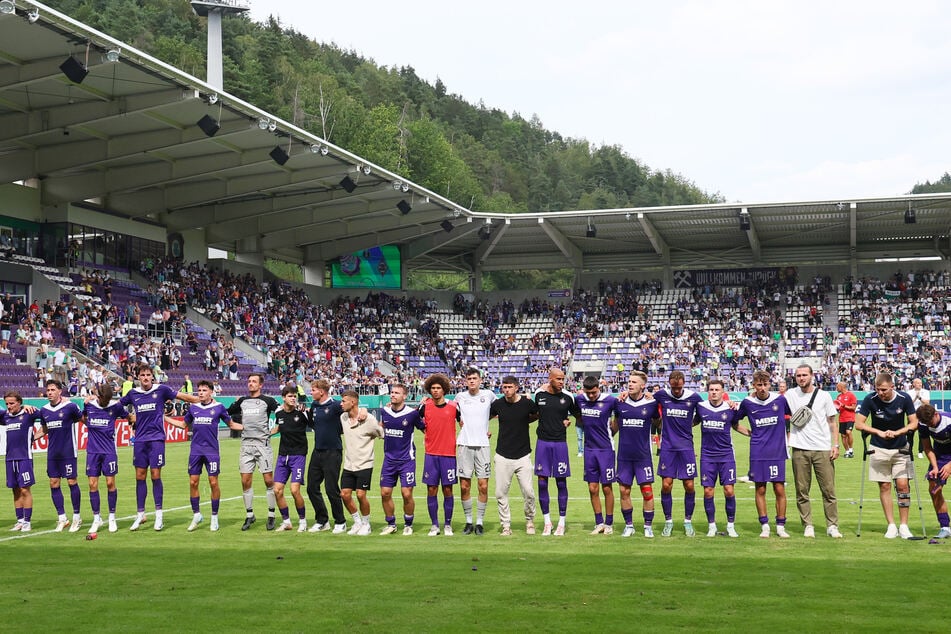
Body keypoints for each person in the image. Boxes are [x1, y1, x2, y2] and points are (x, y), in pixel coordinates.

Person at [121, 364, 199, 531]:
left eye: (148, 374)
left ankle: (159, 515)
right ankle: (140, 514)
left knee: (155, 475)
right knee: (140, 476)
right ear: (138, 377)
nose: (146, 378)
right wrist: (128, 416)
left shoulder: (161, 390)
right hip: (140, 440)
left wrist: (200, 400)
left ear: (152, 376)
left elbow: (182, 397)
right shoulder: (133, 394)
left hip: (156, 439)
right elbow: (116, 406)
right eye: (142, 375)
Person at [166, 379, 240, 532]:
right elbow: (182, 425)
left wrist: (251, 428)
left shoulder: (218, 408)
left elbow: (232, 425)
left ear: (211, 392)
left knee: (213, 483)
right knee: (193, 483)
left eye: (204, 390)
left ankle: (214, 517)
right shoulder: (194, 408)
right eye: (199, 390)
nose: (200, 393)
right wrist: (163, 418)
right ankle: (197, 515)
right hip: (195, 451)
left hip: (212, 452)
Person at [854, 372, 919, 539]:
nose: (880, 393)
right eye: (878, 389)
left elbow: (914, 423)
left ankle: (904, 525)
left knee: (903, 486)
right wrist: (879, 432)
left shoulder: (904, 398)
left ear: (892, 386)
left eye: (884, 389)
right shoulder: (870, 399)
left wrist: (898, 432)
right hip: (878, 447)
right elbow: (859, 424)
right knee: (884, 486)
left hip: (901, 448)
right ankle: (891, 525)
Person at [786, 364, 842, 539]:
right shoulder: (790, 395)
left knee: (829, 491)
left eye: (804, 375)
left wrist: (836, 445)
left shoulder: (824, 395)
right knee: (802, 490)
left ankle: (832, 525)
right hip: (799, 449)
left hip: (822, 448)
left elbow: (832, 421)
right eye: (798, 375)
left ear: (812, 376)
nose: (801, 378)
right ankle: (807, 524)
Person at [737, 370, 792, 538]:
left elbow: (792, 417)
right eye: (758, 385)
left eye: (765, 384)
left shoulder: (780, 400)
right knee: (760, 489)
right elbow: (734, 422)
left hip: (777, 452)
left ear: (770, 384)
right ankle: (765, 525)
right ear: (754, 385)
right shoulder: (747, 403)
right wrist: (749, 433)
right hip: (758, 452)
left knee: (779, 488)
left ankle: (781, 526)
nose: (762, 388)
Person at [653, 370, 704, 537]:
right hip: (667, 447)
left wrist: (691, 424)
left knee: (689, 485)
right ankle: (668, 521)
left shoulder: (693, 397)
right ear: (669, 384)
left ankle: (688, 521)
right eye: (673, 388)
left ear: (684, 384)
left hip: (686, 447)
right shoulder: (662, 395)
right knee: (666, 485)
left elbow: (704, 413)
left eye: (679, 388)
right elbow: (645, 402)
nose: (676, 391)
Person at [696, 378, 748, 538]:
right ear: (708, 392)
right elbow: (690, 423)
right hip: (707, 456)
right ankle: (711, 526)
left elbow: (736, 426)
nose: (713, 392)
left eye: (717, 390)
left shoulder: (731, 409)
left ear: (723, 392)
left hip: (726, 455)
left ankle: (730, 525)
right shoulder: (700, 407)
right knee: (708, 491)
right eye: (711, 390)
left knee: (729, 490)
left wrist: (755, 435)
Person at [227, 373, 279, 531]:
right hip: (246, 446)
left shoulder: (268, 401)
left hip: (262, 445)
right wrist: (234, 403)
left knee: (269, 481)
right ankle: (250, 515)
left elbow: (282, 415)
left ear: (260, 385)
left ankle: (271, 515)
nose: (250, 384)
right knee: (245, 481)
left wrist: (273, 431)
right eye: (249, 381)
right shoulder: (242, 401)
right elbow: (228, 413)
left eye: (254, 381)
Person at [613, 371, 660, 538]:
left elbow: (659, 423)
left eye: (634, 382)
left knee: (647, 492)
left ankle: (648, 526)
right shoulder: (619, 403)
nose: (630, 384)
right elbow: (614, 427)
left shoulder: (651, 405)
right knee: (624, 492)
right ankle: (629, 525)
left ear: (642, 385)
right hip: (624, 457)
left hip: (643, 457)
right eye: (629, 381)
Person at [490, 375, 539, 536]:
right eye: (504, 387)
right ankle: (505, 525)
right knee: (500, 493)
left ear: (516, 387)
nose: (506, 390)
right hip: (502, 455)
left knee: (529, 491)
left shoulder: (526, 403)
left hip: (523, 455)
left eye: (510, 387)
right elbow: (484, 418)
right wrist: (485, 430)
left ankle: (530, 521)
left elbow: (539, 414)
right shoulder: (497, 404)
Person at [534, 368, 581, 536]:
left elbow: (579, 416)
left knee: (561, 482)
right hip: (543, 443)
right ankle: (547, 522)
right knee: (542, 482)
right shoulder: (539, 395)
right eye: (559, 379)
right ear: (550, 379)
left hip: (560, 444)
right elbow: (533, 414)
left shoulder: (568, 397)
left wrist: (570, 422)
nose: (562, 382)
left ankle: (561, 522)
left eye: (563, 379)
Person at [378, 383, 425, 535]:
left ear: (404, 396)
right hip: (389, 460)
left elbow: (425, 429)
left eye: (397, 393)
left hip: (407, 460)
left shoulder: (412, 414)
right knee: (385, 493)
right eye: (392, 392)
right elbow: (380, 428)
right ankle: (391, 524)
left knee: (406, 493)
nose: (393, 395)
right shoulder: (384, 411)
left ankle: (408, 524)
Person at [39, 380, 85, 532]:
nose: (50, 392)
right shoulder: (44, 410)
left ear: (60, 391)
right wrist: (32, 438)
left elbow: (83, 419)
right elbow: (44, 428)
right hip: (52, 453)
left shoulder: (70, 407)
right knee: (54, 483)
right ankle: (62, 518)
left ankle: (77, 517)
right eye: (48, 390)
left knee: (72, 482)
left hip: (68, 452)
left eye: (53, 390)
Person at [576, 375, 619, 534]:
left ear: (598, 388)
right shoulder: (580, 400)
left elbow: (619, 416)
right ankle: (598, 522)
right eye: (589, 393)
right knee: (592, 488)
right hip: (589, 450)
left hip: (606, 449)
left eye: (594, 392)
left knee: (607, 487)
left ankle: (609, 523)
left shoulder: (610, 401)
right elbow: (576, 414)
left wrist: (611, 432)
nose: (592, 396)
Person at [82, 384, 128, 533]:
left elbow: (129, 417)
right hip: (93, 452)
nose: (106, 402)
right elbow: (82, 418)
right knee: (92, 485)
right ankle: (97, 518)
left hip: (109, 451)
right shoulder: (89, 405)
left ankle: (112, 517)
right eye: (104, 399)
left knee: (110, 483)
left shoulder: (115, 407)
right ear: (99, 396)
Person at [420, 373, 461, 536]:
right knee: (431, 490)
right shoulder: (424, 406)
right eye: (433, 388)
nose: (435, 391)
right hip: (431, 454)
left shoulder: (454, 406)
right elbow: (414, 421)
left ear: (444, 390)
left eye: (438, 388)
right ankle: (435, 525)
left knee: (448, 490)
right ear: (429, 390)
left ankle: (448, 525)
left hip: (449, 455)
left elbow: (464, 423)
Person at [454, 368, 494, 535]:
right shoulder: (460, 397)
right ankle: (469, 521)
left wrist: (484, 426)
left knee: (483, 486)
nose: (471, 381)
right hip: (464, 445)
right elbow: (450, 411)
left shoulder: (489, 395)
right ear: (465, 381)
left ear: (480, 380)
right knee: (464, 486)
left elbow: (502, 408)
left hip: (483, 445)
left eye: (474, 378)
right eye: (469, 378)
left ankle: (479, 522)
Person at [305, 379, 347, 533]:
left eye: (313, 390)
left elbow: (352, 413)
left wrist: (362, 413)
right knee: (311, 488)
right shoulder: (314, 406)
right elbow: (313, 424)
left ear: (321, 391)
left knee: (331, 488)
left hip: (333, 451)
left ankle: (340, 521)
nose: (311, 392)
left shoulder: (336, 405)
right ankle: (322, 520)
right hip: (317, 451)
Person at [340, 390, 381, 535]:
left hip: (365, 463)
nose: (341, 403)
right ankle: (357, 522)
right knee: (344, 494)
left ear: (353, 402)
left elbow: (381, 433)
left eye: (344, 401)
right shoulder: (343, 417)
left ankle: (366, 524)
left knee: (360, 495)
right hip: (349, 463)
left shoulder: (368, 419)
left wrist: (364, 411)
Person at [269, 386, 309, 532]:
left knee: (294, 490)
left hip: (298, 455)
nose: (293, 398)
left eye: (294, 396)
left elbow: (314, 424)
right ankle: (286, 522)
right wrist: (267, 434)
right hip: (282, 456)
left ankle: (303, 522)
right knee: (277, 490)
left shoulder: (302, 412)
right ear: (283, 398)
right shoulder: (279, 413)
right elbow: (278, 428)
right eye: (290, 396)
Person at [2, 391, 42, 532]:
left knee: (25, 489)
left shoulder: (29, 413)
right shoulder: (5, 416)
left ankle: (27, 522)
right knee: (15, 490)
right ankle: (19, 521)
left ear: (19, 402)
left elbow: (48, 417)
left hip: (25, 458)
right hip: (9, 459)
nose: (9, 406)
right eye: (7, 403)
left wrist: (35, 437)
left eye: (12, 403)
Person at [916, 404, 951, 538]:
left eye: (930, 422)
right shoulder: (924, 424)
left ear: (936, 414)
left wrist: (949, 466)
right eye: (926, 423)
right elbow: (927, 447)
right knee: (934, 489)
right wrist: (935, 467)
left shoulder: (949, 421)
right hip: (940, 456)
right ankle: (945, 527)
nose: (929, 425)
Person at [907, 378, 930, 458]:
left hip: (922, 414)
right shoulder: (909, 392)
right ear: (913, 384)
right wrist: (915, 397)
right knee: (910, 433)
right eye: (917, 383)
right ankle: (909, 450)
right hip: (912, 414)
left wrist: (919, 397)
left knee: (922, 433)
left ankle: (920, 451)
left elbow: (927, 402)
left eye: (920, 383)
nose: (920, 384)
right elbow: (908, 403)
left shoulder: (926, 392)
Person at [833, 382, 857, 458]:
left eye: (837, 387)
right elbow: (838, 408)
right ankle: (847, 451)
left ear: (842, 387)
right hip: (842, 418)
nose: (836, 388)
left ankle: (851, 450)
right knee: (843, 435)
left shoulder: (851, 395)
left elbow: (853, 407)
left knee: (848, 432)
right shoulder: (838, 396)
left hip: (850, 417)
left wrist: (844, 406)